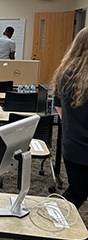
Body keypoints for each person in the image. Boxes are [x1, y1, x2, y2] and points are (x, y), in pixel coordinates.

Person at [52, 27, 88, 209]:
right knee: (77, 192)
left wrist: (74, 124)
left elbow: (59, 107)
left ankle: (56, 221)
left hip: (72, 144)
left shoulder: (64, 72)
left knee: (77, 190)